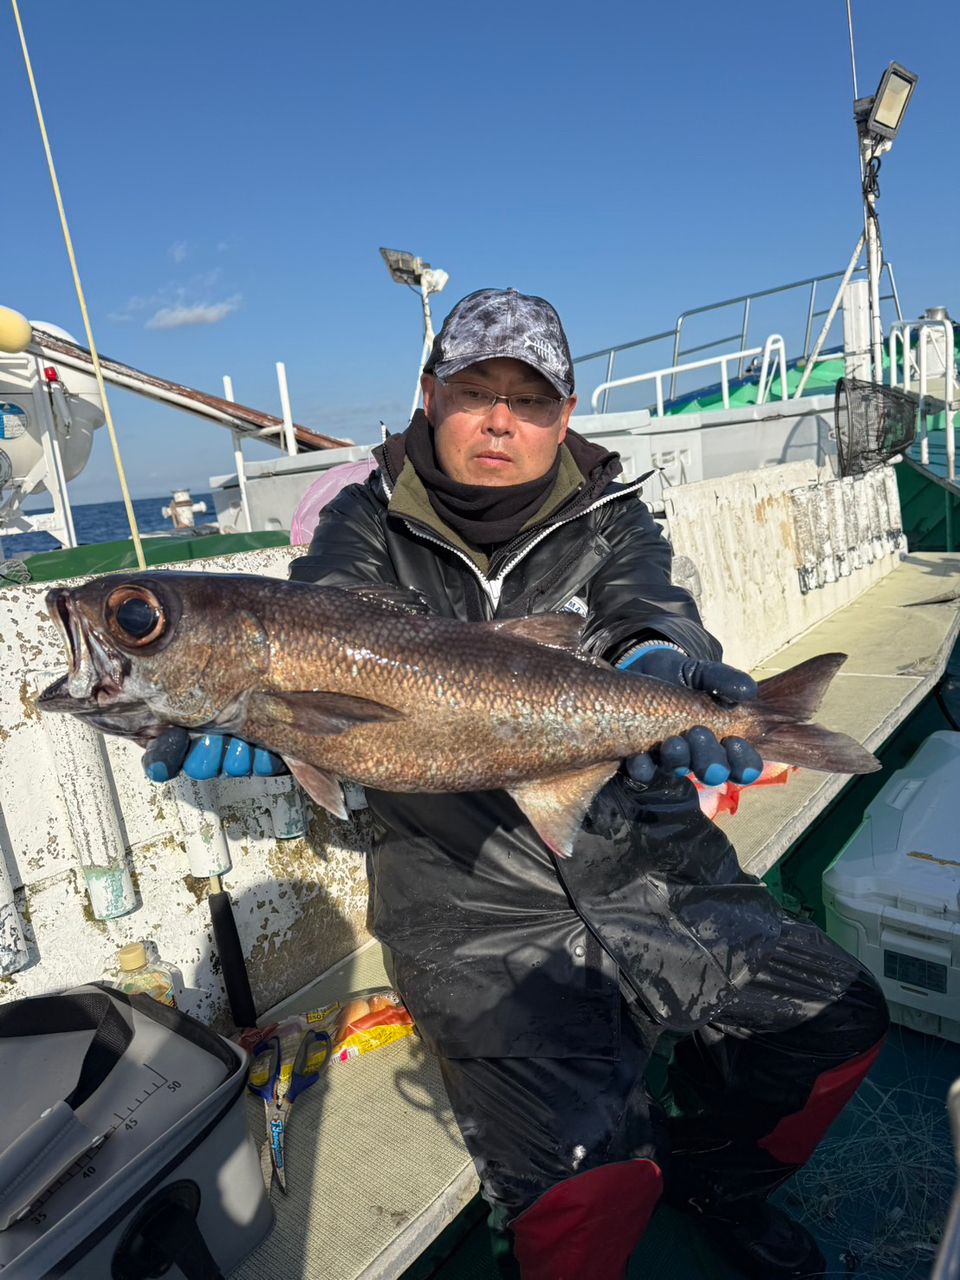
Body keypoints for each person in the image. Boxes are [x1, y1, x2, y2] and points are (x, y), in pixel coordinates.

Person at [147, 288, 888, 1280]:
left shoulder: (614, 514)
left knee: (837, 1024)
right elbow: (317, 614)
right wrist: (262, 715)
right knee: (585, 1194)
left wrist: (663, 662)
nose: (501, 419)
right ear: (429, 396)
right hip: (465, 899)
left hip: (644, 850)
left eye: (531, 399)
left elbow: (650, 607)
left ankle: (717, 1178)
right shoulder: (360, 525)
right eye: (473, 391)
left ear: (564, 416)